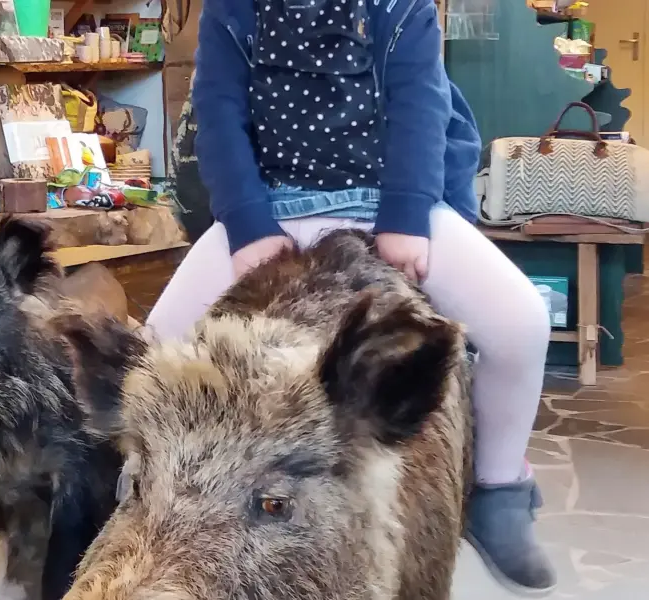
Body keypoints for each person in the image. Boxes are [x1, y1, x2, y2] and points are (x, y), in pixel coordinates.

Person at [147, 0, 556, 595]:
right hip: (275, 205)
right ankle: (140, 487)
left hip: (384, 201)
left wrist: (406, 213)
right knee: (152, 348)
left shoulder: (401, 7)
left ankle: (498, 489)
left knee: (522, 322)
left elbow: (420, 102)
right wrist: (247, 221)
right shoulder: (232, 11)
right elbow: (217, 112)